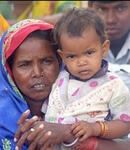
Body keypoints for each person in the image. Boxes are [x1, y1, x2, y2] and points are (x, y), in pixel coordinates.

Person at [14, 8, 130, 150]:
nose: (82, 62)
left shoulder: (113, 85)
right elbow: (49, 113)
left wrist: (95, 128)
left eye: (89, 52)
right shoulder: (60, 80)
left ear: (104, 48)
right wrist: (37, 127)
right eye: (72, 56)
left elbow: (125, 124)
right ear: (62, 56)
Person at [0, 19, 62, 149]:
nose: (37, 73)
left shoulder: (86, 102)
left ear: (60, 61)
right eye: (25, 65)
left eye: (46, 61)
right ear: (9, 71)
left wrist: (68, 134)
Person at [88, 1, 130, 89]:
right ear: (90, 9)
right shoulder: (75, 43)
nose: (110, 20)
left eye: (120, 8)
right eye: (102, 9)